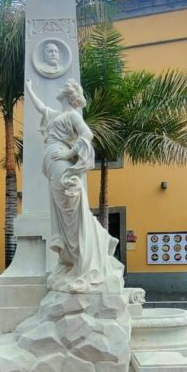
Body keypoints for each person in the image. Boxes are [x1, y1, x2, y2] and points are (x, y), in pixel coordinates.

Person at [24, 78, 124, 293]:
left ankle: (82, 259)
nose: (59, 89)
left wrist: (70, 153)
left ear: (69, 94)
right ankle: (71, 260)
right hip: (53, 165)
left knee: (70, 215)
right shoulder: (56, 115)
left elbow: (87, 134)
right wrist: (29, 88)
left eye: (63, 88)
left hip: (62, 166)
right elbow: (40, 107)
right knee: (64, 216)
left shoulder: (72, 116)